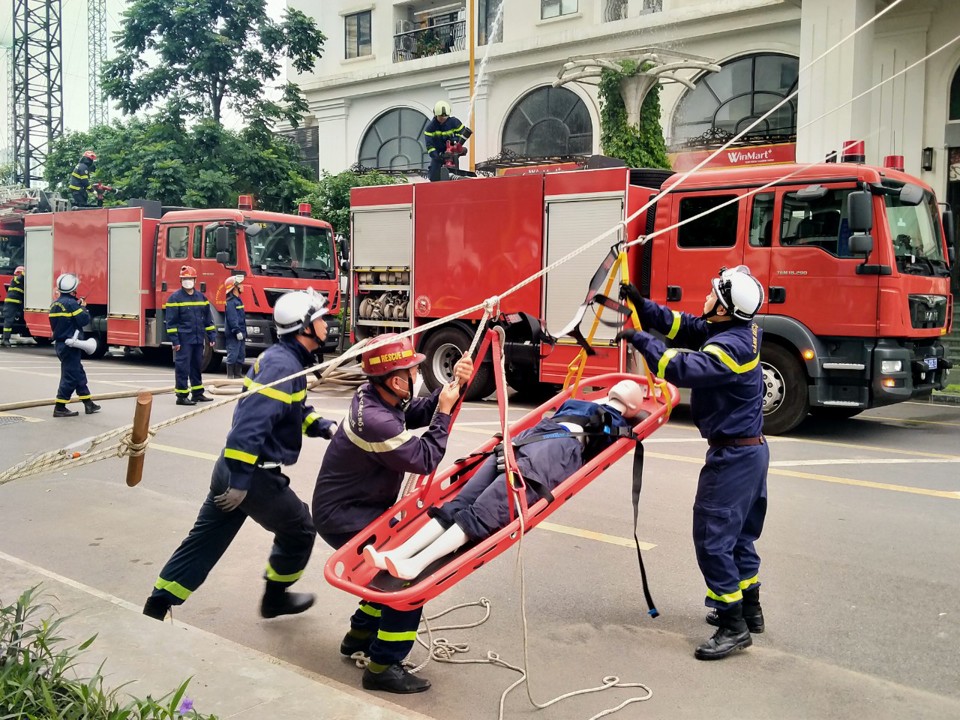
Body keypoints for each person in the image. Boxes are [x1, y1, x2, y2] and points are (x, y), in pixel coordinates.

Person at [143, 290, 337, 622]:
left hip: (232, 471)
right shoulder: (281, 365)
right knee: (301, 530)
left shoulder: (286, 360)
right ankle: (275, 599)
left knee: (204, 540)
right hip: (251, 477)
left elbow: (293, 408)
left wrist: (320, 425)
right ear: (304, 327)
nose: (326, 324)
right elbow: (248, 429)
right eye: (320, 319)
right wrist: (241, 483)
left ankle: (156, 606)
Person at [616, 265, 768, 662]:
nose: (706, 298)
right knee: (738, 538)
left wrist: (642, 341)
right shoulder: (737, 328)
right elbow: (686, 327)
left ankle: (733, 626)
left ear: (724, 308)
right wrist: (642, 306)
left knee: (713, 538)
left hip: (733, 456)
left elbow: (681, 369)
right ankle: (750, 610)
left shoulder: (731, 348)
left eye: (712, 294)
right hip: (749, 452)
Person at [312, 333, 473, 694]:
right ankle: (383, 666)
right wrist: (444, 410)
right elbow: (425, 457)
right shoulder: (374, 419)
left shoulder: (378, 396)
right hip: (344, 515)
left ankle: (359, 636)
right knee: (405, 575)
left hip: (354, 506)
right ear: (397, 381)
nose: (417, 374)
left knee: (383, 567)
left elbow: (414, 413)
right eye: (413, 370)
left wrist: (454, 385)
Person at [365, 379, 649, 580]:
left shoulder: (581, 404)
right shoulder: (616, 425)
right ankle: (408, 560)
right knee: (479, 513)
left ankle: (405, 556)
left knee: (462, 503)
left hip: (525, 442)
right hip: (549, 455)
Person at [49, 273, 101, 418]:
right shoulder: (72, 304)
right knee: (71, 376)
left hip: (61, 344)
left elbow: (64, 320)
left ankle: (88, 403)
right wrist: (83, 308)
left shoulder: (55, 303)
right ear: (73, 289)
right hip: (71, 345)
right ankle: (60, 407)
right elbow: (84, 320)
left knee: (77, 373)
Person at [164, 265, 217, 405]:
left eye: (190, 278)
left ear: (195, 280)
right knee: (183, 367)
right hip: (184, 340)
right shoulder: (174, 298)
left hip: (198, 339)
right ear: (180, 281)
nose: (188, 281)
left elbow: (208, 319)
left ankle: (197, 393)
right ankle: (181, 396)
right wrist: (175, 341)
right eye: (185, 279)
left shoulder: (201, 297)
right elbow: (171, 323)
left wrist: (211, 336)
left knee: (197, 366)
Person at [424, 100, 472, 182]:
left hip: (453, 155)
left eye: (445, 117)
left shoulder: (454, 122)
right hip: (439, 155)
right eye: (440, 117)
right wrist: (440, 155)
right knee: (433, 176)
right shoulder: (430, 128)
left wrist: (455, 142)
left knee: (454, 175)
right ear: (436, 115)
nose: (443, 119)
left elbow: (462, 133)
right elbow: (430, 147)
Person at [224, 275, 246, 379]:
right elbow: (232, 318)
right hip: (234, 334)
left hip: (241, 332)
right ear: (235, 287)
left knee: (241, 354)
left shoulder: (238, 300)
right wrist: (236, 331)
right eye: (240, 284)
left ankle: (237, 373)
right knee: (233, 353)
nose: (243, 286)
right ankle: (230, 375)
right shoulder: (231, 302)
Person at [2, 265, 25, 347]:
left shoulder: (22, 283)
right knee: (9, 321)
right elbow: (20, 278)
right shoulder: (15, 279)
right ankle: (5, 340)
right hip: (11, 304)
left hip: (18, 303)